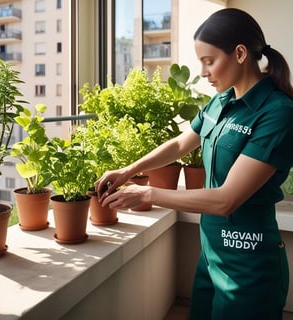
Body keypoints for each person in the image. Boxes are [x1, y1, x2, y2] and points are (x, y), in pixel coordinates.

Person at [96, 8, 293, 320]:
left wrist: (149, 195)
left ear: (240, 54)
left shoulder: (277, 112)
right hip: (211, 258)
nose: (202, 72)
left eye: (209, 61)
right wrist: (130, 169)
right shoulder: (220, 101)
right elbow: (179, 144)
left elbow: (227, 199)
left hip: (250, 267)